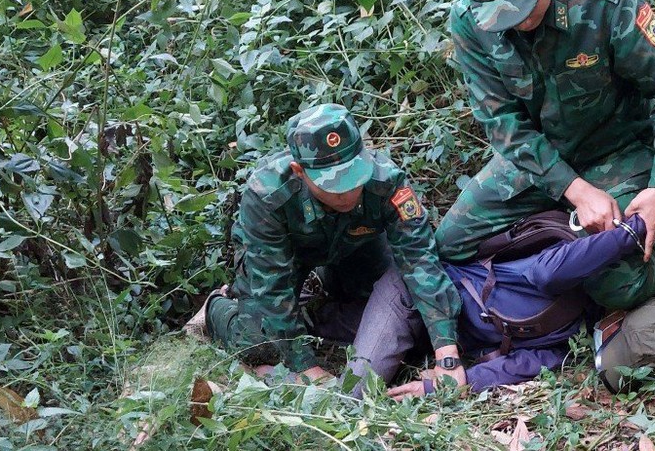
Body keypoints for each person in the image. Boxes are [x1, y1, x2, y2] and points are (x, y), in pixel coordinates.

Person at [435, 0, 655, 310]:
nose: (519, 20)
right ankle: (558, 245)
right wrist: (575, 191)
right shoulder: (469, 22)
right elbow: (504, 125)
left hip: (618, 150)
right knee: (449, 246)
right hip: (537, 160)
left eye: (523, 3)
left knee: (613, 285)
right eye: (501, 13)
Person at [190, 103, 464, 386]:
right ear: (299, 171)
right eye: (333, 183)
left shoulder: (387, 182)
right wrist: (306, 367)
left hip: (356, 247)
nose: (347, 192)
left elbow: (419, 260)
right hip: (288, 256)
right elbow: (272, 288)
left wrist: (446, 351)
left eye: (353, 176)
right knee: (260, 343)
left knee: (391, 309)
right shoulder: (268, 196)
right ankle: (215, 309)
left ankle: (317, 307)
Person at [343, 214, 655, 399]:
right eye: (610, 341)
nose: (600, 344)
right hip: (417, 292)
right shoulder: (569, 277)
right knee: (353, 393)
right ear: (621, 318)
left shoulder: (572, 341)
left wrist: (442, 386)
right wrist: (635, 229)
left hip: (424, 338)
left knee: (331, 322)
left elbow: (518, 365)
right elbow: (556, 266)